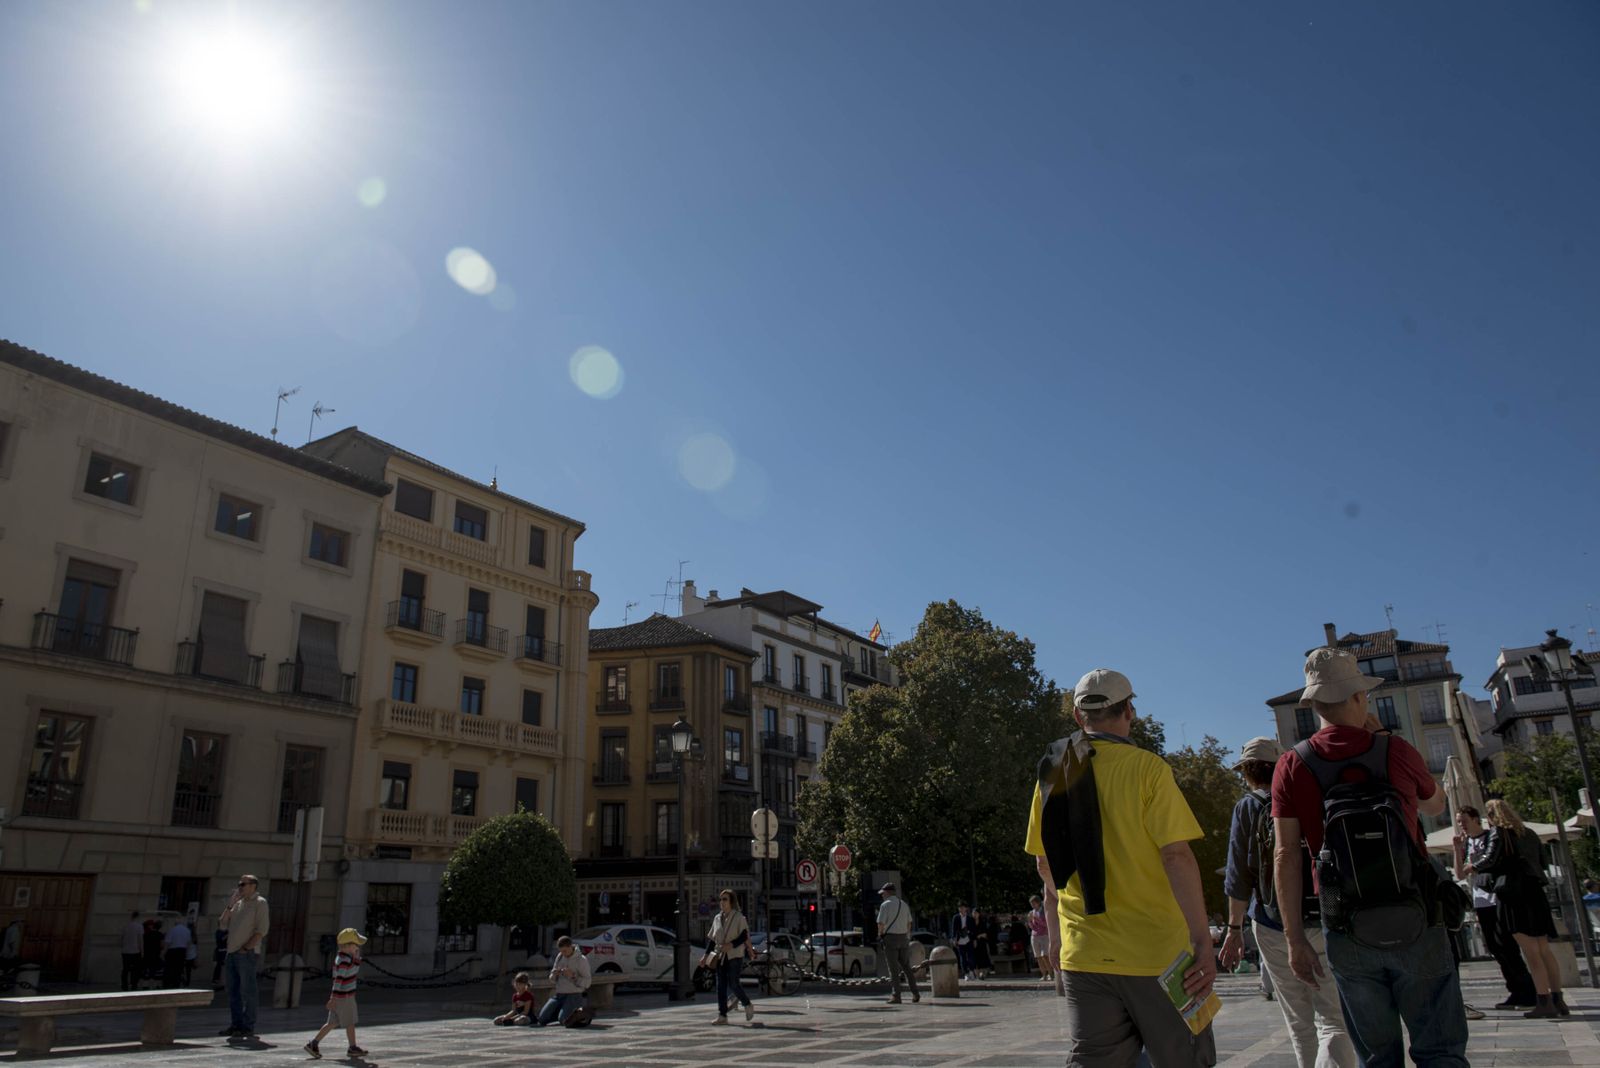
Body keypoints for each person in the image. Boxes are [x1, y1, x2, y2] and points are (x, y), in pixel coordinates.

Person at [1272, 647, 1467, 1067]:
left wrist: (1294, 940)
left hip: (1345, 923)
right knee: (1440, 1052)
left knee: (1378, 1057)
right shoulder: (1394, 749)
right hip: (1417, 913)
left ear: (1314, 705)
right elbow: (1435, 807)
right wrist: (1384, 743)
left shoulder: (1291, 765)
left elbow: (1285, 855)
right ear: (1360, 698)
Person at [1027, 668, 1217, 1067]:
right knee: (1184, 1058)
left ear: (1079, 717)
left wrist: (1059, 939)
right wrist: (1202, 940)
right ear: (1130, 710)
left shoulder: (1052, 771)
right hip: (1159, 955)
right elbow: (1176, 856)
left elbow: (1046, 865)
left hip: (1086, 953)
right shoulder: (1149, 769)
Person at [1221, 736, 1355, 1068]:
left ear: (1247, 773)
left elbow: (1239, 876)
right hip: (1323, 913)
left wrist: (1234, 928)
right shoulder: (1309, 794)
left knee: (1299, 1022)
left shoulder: (1247, 806)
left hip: (1270, 922)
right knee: (1335, 1018)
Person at [1463, 799, 1566, 1019]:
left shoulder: (1499, 833)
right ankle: (1558, 999)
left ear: (1491, 816)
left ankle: (1543, 1001)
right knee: (1544, 950)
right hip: (1535, 893)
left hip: (1514, 895)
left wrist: (1472, 866)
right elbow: (1543, 862)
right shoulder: (1528, 833)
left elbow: (1489, 858)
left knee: (1531, 953)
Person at [1452, 806, 1537, 1009]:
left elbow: (1491, 863)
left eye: (1463, 820)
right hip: (1481, 901)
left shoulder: (1492, 837)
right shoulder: (1466, 843)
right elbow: (1460, 874)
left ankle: (1526, 991)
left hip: (1497, 898)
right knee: (1495, 948)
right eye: (1458, 821)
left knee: (1507, 946)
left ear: (1475, 819)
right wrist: (1457, 848)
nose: (1460, 824)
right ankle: (1515, 990)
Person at [217, 873, 270, 1038]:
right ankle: (236, 1024)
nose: (240, 887)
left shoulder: (260, 903)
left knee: (248, 991)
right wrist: (230, 905)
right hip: (231, 953)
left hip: (246, 954)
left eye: (243, 884)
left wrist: (246, 948)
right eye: (239, 884)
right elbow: (222, 924)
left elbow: (262, 929)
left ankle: (247, 1026)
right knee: (233, 991)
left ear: (253, 886)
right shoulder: (238, 904)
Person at [305, 928, 368, 1059]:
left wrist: (356, 957)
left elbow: (353, 969)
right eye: (356, 945)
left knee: (332, 1023)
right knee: (350, 1022)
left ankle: (313, 1043)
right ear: (348, 945)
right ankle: (352, 1047)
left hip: (341, 997)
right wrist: (333, 998)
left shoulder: (344, 957)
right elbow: (339, 980)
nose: (358, 947)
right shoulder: (344, 960)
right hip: (344, 997)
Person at [704, 889, 754, 1025]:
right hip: (720, 956)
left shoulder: (739, 917)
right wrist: (705, 956)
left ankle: (747, 1004)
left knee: (734, 983)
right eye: (720, 899)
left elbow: (744, 936)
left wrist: (731, 945)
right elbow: (712, 939)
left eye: (725, 899)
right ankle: (722, 1015)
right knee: (720, 986)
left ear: (731, 901)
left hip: (734, 955)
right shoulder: (717, 918)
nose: (722, 902)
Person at [876, 882, 921, 1004]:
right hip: (903, 938)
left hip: (890, 938)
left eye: (883, 893)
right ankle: (915, 993)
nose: (882, 895)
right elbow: (909, 923)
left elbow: (880, 923)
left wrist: (880, 935)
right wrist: (907, 936)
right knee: (907, 967)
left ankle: (896, 995)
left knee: (893, 969)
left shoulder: (885, 905)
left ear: (887, 892)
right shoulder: (904, 904)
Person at [537, 935, 591, 1026]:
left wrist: (573, 976)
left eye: (565, 951)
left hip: (573, 995)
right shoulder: (560, 957)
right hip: (559, 995)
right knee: (542, 1019)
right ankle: (563, 1012)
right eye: (561, 951)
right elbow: (552, 979)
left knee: (564, 1020)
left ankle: (582, 1014)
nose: (563, 953)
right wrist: (554, 975)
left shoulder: (581, 960)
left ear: (571, 946)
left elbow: (587, 982)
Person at [161, 918, 193, 988]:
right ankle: (176, 984)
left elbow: (167, 943)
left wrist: (163, 953)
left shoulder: (172, 930)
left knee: (170, 969)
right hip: (182, 951)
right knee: (179, 969)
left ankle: (168, 984)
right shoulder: (187, 931)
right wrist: (187, 954)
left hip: (172, 952)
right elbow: (189, 943)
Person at [1027, 895, 1052, 981]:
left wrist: (1037, 919)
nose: (1032, 905)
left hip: (1044, 935)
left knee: (1045, 955)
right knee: (1038, 957)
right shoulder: (1031, 912)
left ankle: (1050, 974)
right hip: (1035, 936)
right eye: (1031, 904)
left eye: (1034, 903)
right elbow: (1032, 927)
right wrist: (1030, 921)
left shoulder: (1044, 911)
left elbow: (1046, 925)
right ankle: (1043, 975)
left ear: (1038, 903)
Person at [950, 904, 978, 980]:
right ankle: (966, 973)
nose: (962, 909)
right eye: (960, 907)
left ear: (966, 908)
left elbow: (974, 930)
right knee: (962, 958)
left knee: (970, 957)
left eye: (963, 907)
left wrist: (974, 940)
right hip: (960, 940)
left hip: (969, 939)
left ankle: (972, 971)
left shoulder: (970, 918)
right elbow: (953, 929)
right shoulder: (956, 917)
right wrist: (954, 939)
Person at [120, 912, 144, 991]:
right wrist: (142, 951)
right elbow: (140, 940)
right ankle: (134, 984)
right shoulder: (139, 926)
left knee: (125, 969)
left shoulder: (125, 926)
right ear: (138, 917)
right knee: (135, 969)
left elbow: (121, 938)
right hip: (135, 951)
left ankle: (124, 985)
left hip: (125, 951)